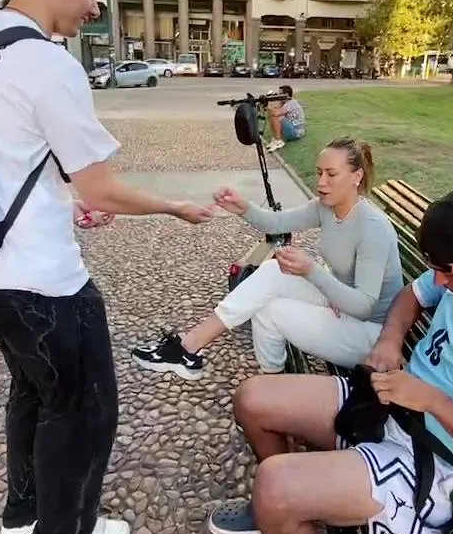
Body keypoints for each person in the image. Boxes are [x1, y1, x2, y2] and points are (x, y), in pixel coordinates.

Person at [0, 0, 215, 534]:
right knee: (81, 408)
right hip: (42, 279)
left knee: (33, 391)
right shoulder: (47, 62)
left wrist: (64, 200)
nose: (94, 9)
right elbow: (103, 188)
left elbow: (1, 154)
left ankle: (21, 519)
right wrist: (174, 207)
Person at [203, 189, 453, 534]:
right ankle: (280, 517)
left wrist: (434, 402)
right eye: (435, 269)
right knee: (252, 399)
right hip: (389, 403)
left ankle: (279, 508)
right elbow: (412, 295)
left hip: (437, 465)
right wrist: (389, 341)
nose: (439, 282)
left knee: (275, 486)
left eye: (447, 272)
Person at [131, 138, 403, 380]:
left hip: (372, 334)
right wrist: (243, 207)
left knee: (269, 310)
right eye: (319, 172)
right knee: (273, 271)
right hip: (340, 303)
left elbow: (364, 306)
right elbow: (277, 223)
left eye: (331, 174)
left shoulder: (372, 227)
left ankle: (273, 386)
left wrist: (311, 271)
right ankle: (188, 347)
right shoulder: (327, 208)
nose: (321, 182)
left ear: (356, 176)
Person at [264, 84, 306, 152]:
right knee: (272, 115)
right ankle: (275, 139)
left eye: (280, 94)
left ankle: (278, 141)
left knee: (276, 116)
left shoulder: (290, 103)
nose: (278, 96)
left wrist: (267, 106)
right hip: (292, 129)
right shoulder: (286, 102)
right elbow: (274, 111)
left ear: (286, 94)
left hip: (296, 132)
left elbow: (276, 113)